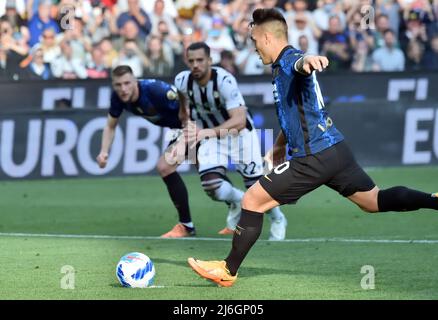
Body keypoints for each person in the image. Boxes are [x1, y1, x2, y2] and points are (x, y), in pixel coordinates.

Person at [187, 8, 438, 287]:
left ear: (268, 38)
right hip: (335, 150)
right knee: (373, 201)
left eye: (255, 41)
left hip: (314, 156)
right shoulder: (281, 65)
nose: (254, 48)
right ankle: (434, 200)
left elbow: (301, 63)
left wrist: (311, 60)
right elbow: (294, 110)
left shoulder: (289, 59)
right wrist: (281, 144)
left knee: (252, 200)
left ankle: (228, 270)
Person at [174, 41, 287, 240]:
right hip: (211, 137)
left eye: (200, 60)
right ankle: (240, 202)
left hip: (240, 135)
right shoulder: (182, 81)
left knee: (256, 185)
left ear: (209, 60)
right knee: (212, 187)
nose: (195, 65)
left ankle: (278, 218)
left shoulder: (224, 81)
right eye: (191, 61)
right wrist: (186, 123)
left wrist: (204, 133)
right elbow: (184, 107)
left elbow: (240, 120)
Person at [96, 65, 196, 238]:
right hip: (180, 130)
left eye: (127, 83)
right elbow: (110, 125)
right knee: (209, 181)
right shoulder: (118, 98)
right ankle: (192, 224)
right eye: (118, 85)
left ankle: (189, 225)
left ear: (136, 81)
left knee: (171, 168)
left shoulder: (155, 90)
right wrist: (104, 151)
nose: (123, 89)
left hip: (196, 125)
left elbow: (189, 104)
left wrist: (186, 129)